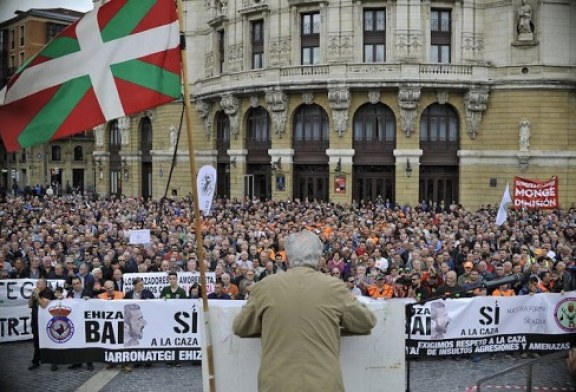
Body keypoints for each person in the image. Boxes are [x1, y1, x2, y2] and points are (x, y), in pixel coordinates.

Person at [233, 230, 376, 392]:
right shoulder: (334, 287)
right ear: (318, 260)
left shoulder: (265, 287)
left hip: (276, 383)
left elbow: (240, 327)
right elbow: (366, 322)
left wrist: (269, 325)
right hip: (323, 383)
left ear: (287, 259)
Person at [28, 278, 55, 371]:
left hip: (47, 322)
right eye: (37, 283)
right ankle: (35, 361)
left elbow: (43, 304)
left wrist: (37, 296)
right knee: (36, 343)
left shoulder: (48, 292)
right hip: (36, 321)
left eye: (38, 283)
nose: (37, 285)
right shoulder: (36, 293)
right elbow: (30, 305)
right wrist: (32, 297)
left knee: (50, 342)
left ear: (44, 284)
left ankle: (54, 362)